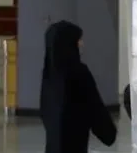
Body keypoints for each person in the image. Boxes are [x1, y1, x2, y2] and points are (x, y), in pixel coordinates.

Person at [40, 20, 117, 153]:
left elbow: (44, 110)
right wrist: (108, 133)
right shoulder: (79, 73)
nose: (81, 44)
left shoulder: (49, 74)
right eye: (78, 40)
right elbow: (95, 108)